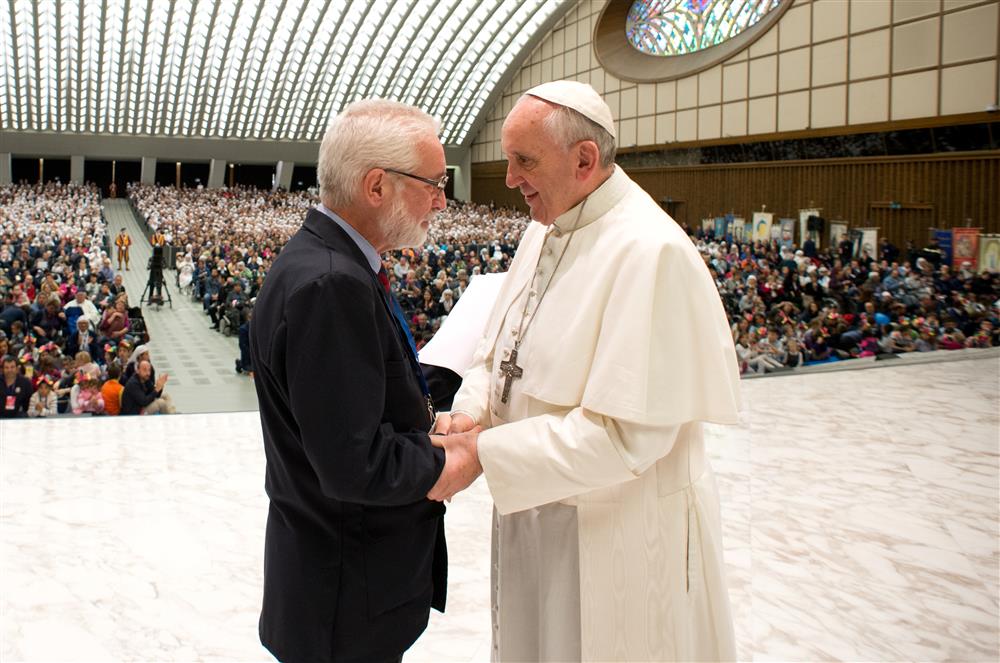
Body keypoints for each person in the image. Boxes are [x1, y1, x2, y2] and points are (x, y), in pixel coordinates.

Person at [432, 81, 741, 662]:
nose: (510, 178)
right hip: (534, 513)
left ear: (584, 159)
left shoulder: (651, 252)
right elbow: (496, 352)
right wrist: (471, 412)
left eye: (525, 161)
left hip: (614, 536)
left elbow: (626, 436)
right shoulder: (543, 229)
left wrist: (483, 454)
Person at [249, 99, 473, 663]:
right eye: (433, 182)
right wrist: (459, 459)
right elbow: (355, 465)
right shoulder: (332, 285)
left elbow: (346, 413)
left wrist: (429, 423)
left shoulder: (327, 262)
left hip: (333, 582)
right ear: (377, 186)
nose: (442, 201)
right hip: (345, 595)